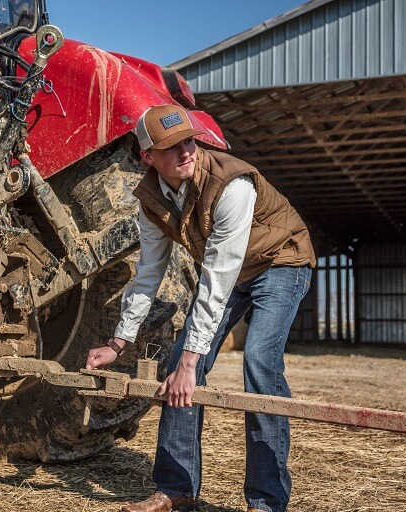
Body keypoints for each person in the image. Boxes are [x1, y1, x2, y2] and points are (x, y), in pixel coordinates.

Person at [85, 104, 315, 512]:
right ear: (148, 158)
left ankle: (266, 501)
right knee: (179, 364)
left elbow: (217, 277)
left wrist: (194, 360)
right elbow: (148, 274)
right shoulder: (151, 200)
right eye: (172, 147)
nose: (186, 151)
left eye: (189, 140)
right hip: (232, 272)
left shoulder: (232, 185)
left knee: (260, 360)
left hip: (282, 261)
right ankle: (176, 490)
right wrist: (118, 343)